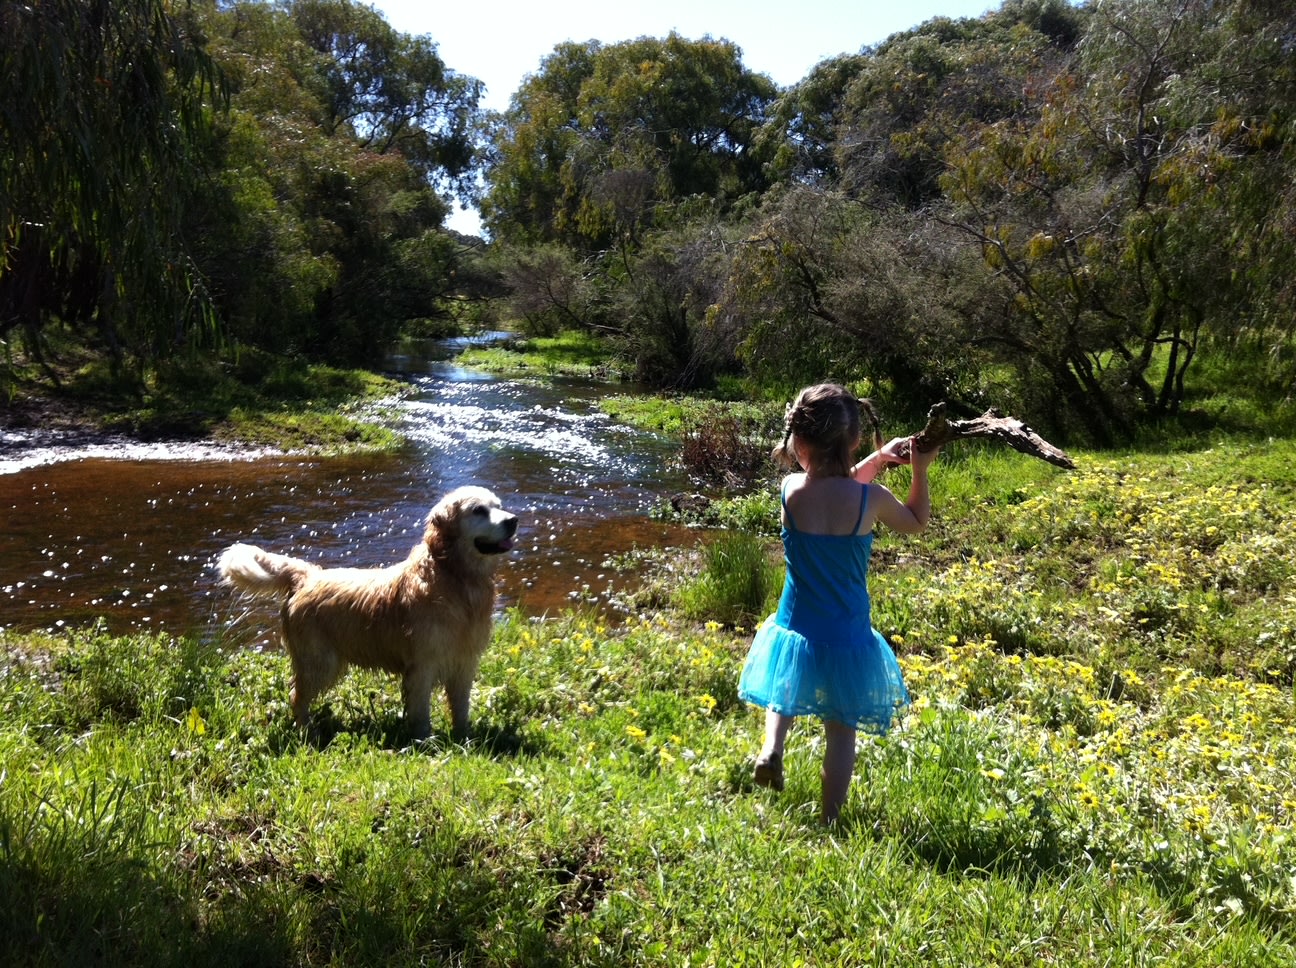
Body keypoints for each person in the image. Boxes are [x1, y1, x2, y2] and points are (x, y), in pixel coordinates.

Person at [738, 383, 939, 824]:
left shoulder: (790, 490)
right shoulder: (870, 500)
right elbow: (916, 522)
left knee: (784, 687)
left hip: (796, 625)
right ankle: (830, 819)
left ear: (799, 441)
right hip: (846, 634)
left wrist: (882, 459)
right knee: (840, 731)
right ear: (853, 442)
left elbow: (837, 485)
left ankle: (772, 749)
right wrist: (918, 470)